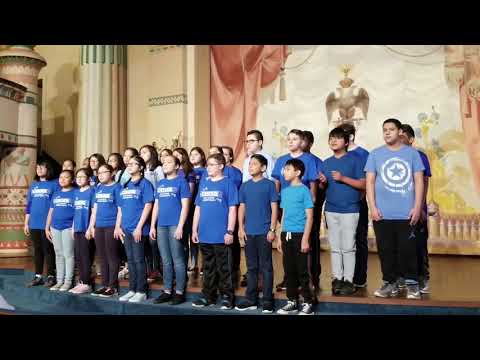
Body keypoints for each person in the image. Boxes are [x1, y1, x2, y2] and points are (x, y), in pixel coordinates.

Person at [365, 118, 424, 300]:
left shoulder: (412, 154)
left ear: (400, 132)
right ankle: (389, 283)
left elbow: (419, 181)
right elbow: (370, 182)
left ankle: (412, 284)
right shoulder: (375, 154)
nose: (387, 132)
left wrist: (417, 207)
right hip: (382, 214)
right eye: (384, 130)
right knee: (386, 250)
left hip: (406, 213)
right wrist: (373, 207)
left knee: (408, 250)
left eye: (391, 129)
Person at [319, 127, 365, 296]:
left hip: (350, 209)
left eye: (337, 138)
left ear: (346, 142)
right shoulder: (326, 162)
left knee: (348, 247)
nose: (333, 141)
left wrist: (343, 178)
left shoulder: (355, 160)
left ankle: (348, 280)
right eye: (331, 138)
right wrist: (322, 182)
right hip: (331, 209)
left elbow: (364, 184)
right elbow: (324, 187)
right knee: (335, 247)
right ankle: (337, 278)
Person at [272, 129, 319, 292]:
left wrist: (313, 196)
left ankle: (309, 281)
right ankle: (289, 279)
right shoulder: (281, 160)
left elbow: (313, 181)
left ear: (302, 142)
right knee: (287, 242)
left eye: (295, 139)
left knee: (304, 244)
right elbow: (277, 182)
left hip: (302, 206)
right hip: (285, 204)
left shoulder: (309, 159)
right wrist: (275, 199)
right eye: (289, 139)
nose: (291, 141)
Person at [191, 153, 239, 310]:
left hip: (221, 235)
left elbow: (233, 209)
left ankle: (227, 297)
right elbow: (198, 207)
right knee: (208, 268)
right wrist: (194, 229)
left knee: (224, 268)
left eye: (212, 165)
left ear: (221, 166)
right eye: (208, 165)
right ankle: (208, 296)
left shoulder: (228, 183)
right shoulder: (204, 183)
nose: (208, 168)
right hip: (204, 234)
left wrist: (230, 231)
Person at [236, 154, 278, 313]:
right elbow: (242, 207)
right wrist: (241, 228)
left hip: (264, 231)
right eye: (250, 164)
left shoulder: (269, 185)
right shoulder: (245, 186)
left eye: (254, 164)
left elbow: (274, 208)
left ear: (263, 168)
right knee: (251, 267)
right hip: (249, 232)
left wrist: (272, 229)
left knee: (266, 266)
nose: (251, 166)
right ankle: (250, 299)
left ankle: (267, 299)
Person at [150, 154, 191, 305]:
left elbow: (185, 206)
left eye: (169, 162)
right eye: (164, 162)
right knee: (165, 260)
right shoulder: (160, 183)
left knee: (178, 260)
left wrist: (180, 226)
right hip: (161, 225)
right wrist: (153, 225)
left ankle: (179, 292)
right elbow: (156, 205)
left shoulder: (182, 182)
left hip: (175, 224)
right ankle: (167, 290)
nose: (165, 165)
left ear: (177, 166)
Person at [276, 159, 315, 315]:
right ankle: (292, 301)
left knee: (302, 270)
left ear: (297, 172)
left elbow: (310, 217)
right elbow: (284, 215)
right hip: (287, 234)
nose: (284, 172)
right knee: (289, 270)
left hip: (300, 235)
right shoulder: (285, 191)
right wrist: (280, 235)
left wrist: (305, 238)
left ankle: (307, 301)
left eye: (288, 169)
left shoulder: (304, 190)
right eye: (284, 169)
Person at [115, 155, 155, 303]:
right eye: (129, 163)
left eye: (134, 164)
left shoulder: (145, 184)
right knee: (130, 261)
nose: (130, 165)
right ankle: (132, 289)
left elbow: (148, 205)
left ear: (141, 167)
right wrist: (118, 226)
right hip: (125, 228)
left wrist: (139, 227)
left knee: (139, 260)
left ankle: (141, 290)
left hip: (138, 229)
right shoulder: (125, 185)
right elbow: (120, 208)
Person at [400, 124, 432, 294]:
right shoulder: (392, 156)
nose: (399, 139)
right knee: (399, 246)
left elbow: (424, 181)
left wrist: (419, 208)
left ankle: (422, 278)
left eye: (402, 136)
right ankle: (402, 278)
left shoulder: (419, 156)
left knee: (418, 245)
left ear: (411, 139)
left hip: (416, 209)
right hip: (397, 211)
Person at [338, 122, 370, 289]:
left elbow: (366, 182)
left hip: (357, 205)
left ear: (349, 137)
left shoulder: (363, 154)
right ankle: (342, 277)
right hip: (337, 207)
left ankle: (358, 278)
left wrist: (357, 200)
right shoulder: (336, 155)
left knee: (358, 240)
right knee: (341, 243)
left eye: (340, 136)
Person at [87, 164, 122, 297]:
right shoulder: (99, 188)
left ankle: (113, 287)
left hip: (112, 225)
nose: (100, 175)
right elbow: (94, 210)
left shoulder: (117, 187)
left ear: (112, 173)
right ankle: (104, 285)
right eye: (99, 173)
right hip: (99, 226)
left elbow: (120, 209)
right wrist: (91, 226)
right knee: (102, 257)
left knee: (112, 256)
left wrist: (118, 226)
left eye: (103, 172)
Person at [24, 160, 59, 288]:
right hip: (34, 223)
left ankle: (51, 276)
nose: (38, 169)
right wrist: (26, 223)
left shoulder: (54, 185)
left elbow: (55, 205)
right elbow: (29, 205)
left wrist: (50, 223)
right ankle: (38, 276)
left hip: (47, 223)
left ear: (48, 169)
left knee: (48, 250)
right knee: (37, 250)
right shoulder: (34, 185)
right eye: (37, 167)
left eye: (42, 167)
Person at [45, 170, 76, 292]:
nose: (62, 179)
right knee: (58, 254)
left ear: (72, 180)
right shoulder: (56, 193)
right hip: (55, 227)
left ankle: (68, 281)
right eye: (60, 177)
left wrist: (73, 227)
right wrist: (47, 227)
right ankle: (59, 281)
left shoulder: (75, 193)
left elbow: (77, 212)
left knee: (68, 254)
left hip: (68, 227)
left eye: (66, 177)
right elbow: (51, 211)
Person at [301, 130, 324, 290]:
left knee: (311, 242)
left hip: (311, 208)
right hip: (293, 208)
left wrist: (322, 182)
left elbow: (322, 186)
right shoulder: (289, 160)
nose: (299, 143)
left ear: (310, 144)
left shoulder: (316, 161)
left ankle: (313, 277)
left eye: (303, 141)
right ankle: (292, 277)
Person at [140, 144, 164, 283]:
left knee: (153, 240)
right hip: (143, 206)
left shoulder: (158, 169)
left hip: (155, 205)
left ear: (152, 154)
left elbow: (160, 187)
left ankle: (157, 268)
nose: (142, 154)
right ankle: (149, 269)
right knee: (145, 241)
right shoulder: (142, 170)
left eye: (145, 152)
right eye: (141, 152)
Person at [69, 167, 95, 294]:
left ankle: (87, 282)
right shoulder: (76, 192)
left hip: (86, 228)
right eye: (77, 177)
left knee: (85, 256)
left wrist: (90, 228)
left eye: (82, 177)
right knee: (78, 256)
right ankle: (81, 281)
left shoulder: (92, 191)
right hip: (77, 227)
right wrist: (73, 227)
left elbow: (94, 211)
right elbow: (75, 211)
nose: (79, 179)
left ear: (89, 179)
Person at [188, 146, 207, 273]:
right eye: (191, 154)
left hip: (200, 205)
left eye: (196, 154)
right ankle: (193, 263)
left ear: (202, 156)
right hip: (189, 207)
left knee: (201, 235)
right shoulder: (187, 171)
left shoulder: (206, 171)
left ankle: (203, 264)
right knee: (191, 236)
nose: (193, 156)